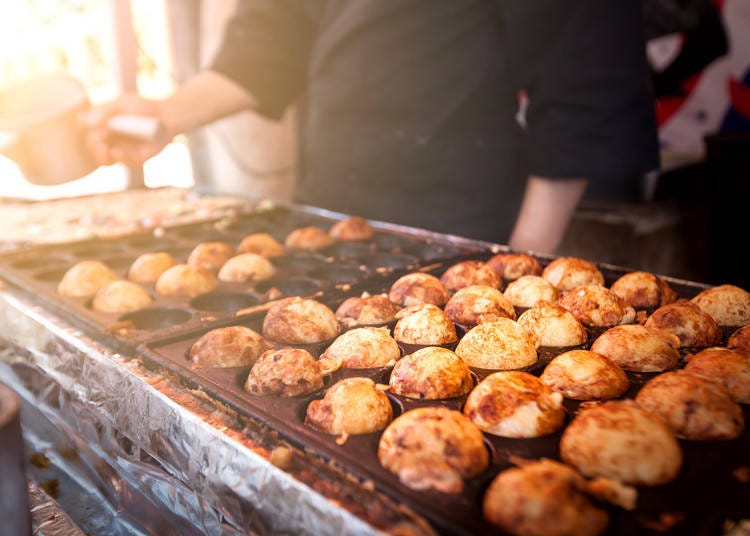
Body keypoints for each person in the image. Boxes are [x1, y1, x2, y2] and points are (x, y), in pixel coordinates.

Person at [85, 0, 659, 254]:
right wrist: (165, 116)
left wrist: (521, 264)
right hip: (330, 220)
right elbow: (268, 44)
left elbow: (584, 63)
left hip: (462, 229)